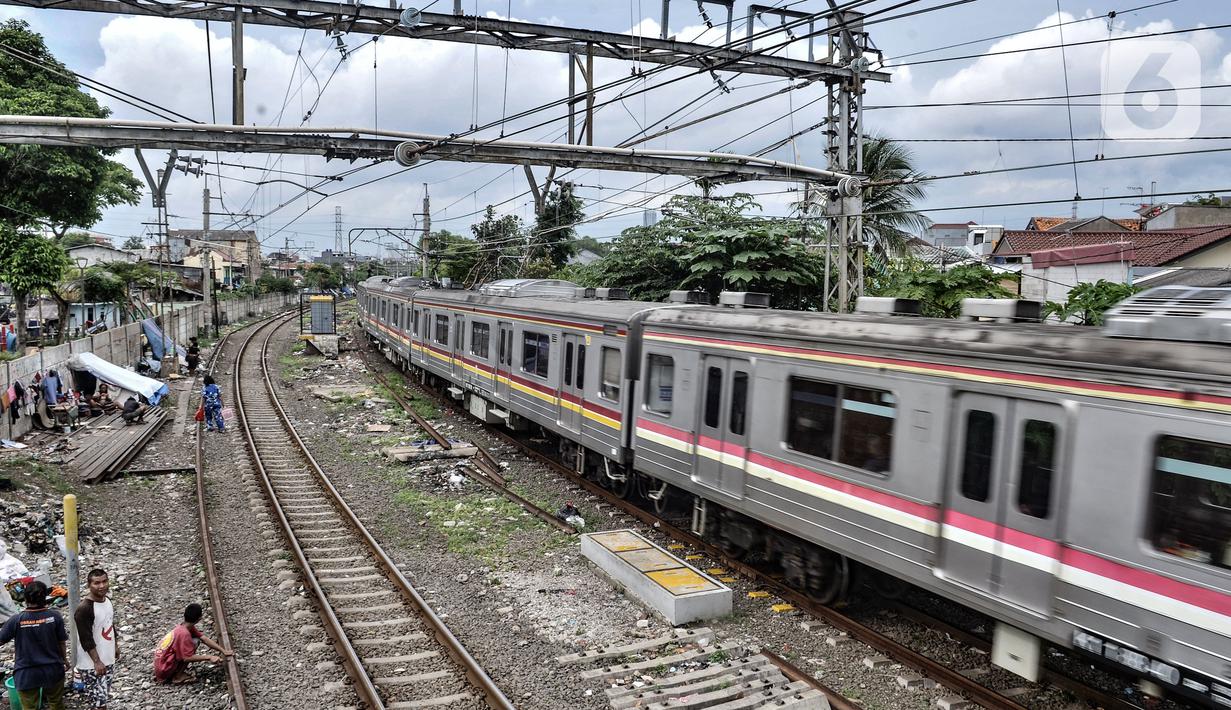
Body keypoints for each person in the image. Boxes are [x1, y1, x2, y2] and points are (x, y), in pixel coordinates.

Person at [0, 580, 69, 710]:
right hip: (52, 670)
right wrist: (64, 660)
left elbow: (1, 640)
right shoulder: (54, 617)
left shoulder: (16, 620)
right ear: (45, 598)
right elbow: (61, 642)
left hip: (26, 674)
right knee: (56, 704)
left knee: (29, 707)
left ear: (25, 598)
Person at [153, 603, 233, 684]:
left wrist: (223, 651)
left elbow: (204, 639)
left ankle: (176, 672)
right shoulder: (184, 634)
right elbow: (187, 658)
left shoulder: (184, 626)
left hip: (161, 665)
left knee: (195, 640)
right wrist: (209, 657)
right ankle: (178, 677)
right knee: (193, 643)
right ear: (199, 618)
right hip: (164, 670)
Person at [74, 568, 118, 710]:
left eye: (104, 581)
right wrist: (97, 661)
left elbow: (109, 624)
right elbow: (85, 639)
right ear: (89, 585)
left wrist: (115, 646)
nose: (102, 586)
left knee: (103, 697)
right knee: (99, 703)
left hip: (108, 658)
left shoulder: (107, 601)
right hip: (91, 664)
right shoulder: (84, 609)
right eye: (97, 583)